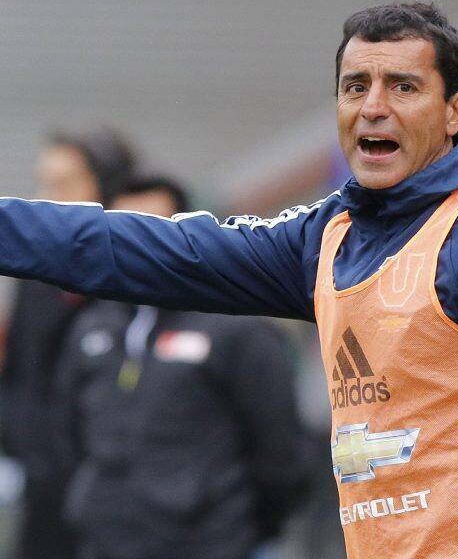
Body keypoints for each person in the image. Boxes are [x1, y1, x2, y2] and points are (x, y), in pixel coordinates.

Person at [0, 3, 458, 559]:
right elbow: (161, 250)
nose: (373, 107)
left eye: (403, 87)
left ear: (455, 111)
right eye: (355, 86)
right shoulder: (327, 236)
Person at [54, 177, 309, 559]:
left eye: (151, 228)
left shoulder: (237, 327)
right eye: (121, 230)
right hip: (105, 543)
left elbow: (281, 455)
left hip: (213, 545)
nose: (136, 244)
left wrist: (239, 528)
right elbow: (65, 434)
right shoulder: (92, 327)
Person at [0, 127, 136, 559]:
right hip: (44, 498)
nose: (43, 198)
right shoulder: (35, 278)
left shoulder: (143, 281)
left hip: (128, 513)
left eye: (61, 185)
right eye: (43, 184)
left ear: (108, 190)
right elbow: (20, 376)